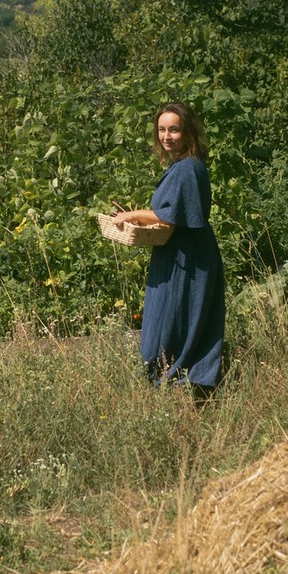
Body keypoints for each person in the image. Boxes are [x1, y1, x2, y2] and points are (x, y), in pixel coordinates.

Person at [113, 102, 226, 397]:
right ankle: (178, 383)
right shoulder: (182, 165)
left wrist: (131, 215)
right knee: (178, 316)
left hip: (188, 257)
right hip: (181, 251)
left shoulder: (188, 168)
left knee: (177, 316)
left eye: (174, 129)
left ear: (188, 131)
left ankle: (180, 385)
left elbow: (169, 215)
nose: (167, 136)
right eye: (162, 130)